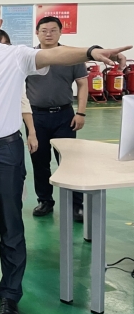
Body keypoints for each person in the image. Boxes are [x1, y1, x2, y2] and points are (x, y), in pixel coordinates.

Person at [0, 1, 129, 314]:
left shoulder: (16, 56)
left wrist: (92, 52)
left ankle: (10, 294)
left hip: (4, 153)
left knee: (10, 225)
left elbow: (55, 55)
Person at [26, 16, 89, 222]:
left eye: (53, 30)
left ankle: (76, 205)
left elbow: (82, 84)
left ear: (60, 32)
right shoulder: (29, 57)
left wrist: (81, 112)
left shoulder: (71, 56)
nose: (48, 34)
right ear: (37, 33)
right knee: (39, 161)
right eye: (44, 30)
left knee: (69, 161)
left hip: (64, 116)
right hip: (36, 117)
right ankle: (45, 201)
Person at [0, 29, 38, 256]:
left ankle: (11, 235)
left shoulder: (15, 71)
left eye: (5, 45)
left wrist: (32, 132)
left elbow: (24, 103)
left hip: (9, 143)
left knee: (12, 191)